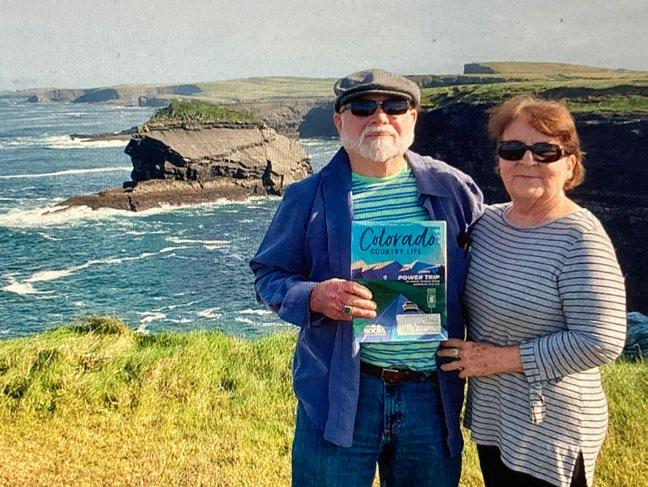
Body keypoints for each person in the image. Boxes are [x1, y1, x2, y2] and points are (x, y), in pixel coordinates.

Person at [250, 69, 483, 486]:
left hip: (431, 395)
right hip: (341, 394)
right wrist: (314, 296)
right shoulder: (306, 196)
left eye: (394, 106)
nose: (379, 117)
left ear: (413, 117)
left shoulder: (453, 189)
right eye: (361, 107)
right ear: (339, 121)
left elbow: (489, 264)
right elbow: (269, 274)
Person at [438, 95, 627, 487]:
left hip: (552, 426)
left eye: (545, 151)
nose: (527, 160)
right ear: (500, 162)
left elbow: (602, 340)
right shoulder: (486, 224)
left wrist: (498, 360)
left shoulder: (580, 237)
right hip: (496, 417)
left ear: (570, 164)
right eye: (513, 149)